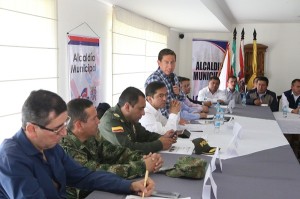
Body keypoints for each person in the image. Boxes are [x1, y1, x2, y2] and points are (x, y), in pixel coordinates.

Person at [0, 90, 154, 198]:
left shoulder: (50, 147)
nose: (64, 133)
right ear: (32, 129)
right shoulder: (11, 157)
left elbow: (85, 176)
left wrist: (130, 186)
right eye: (57, 129)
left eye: (64, 125)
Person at [61, 98, 163, 198]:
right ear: (79, 125)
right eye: (94, 118)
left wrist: (144, 158)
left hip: (99, 191)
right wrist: (141, 166)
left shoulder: (92, 135)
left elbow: (115, 152)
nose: (98, 121)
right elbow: (97, 173)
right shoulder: (66, 147)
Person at [99, 87, 177, 154]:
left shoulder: (129, 118)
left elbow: (145, 135)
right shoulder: (111, 121)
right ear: (127, 107)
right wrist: (159, 144)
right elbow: (126, 148)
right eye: (140, 108)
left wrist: (163, 137)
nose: (143, 113)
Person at [145, 48, 185, 118]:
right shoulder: (155, 79)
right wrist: (173, 119)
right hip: (163, 122)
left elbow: (182, 98)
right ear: (159, 63)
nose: (170, 66)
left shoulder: (174, 76)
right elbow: (158, 106)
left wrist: (179, 92)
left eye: (172, 62)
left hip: (176, 117)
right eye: (166, 62)